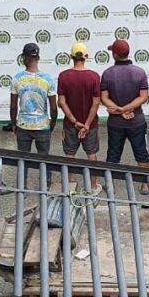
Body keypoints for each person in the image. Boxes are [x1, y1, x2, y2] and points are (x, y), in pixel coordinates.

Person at [100, 39, 149, 171]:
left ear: (115, 55)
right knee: (142, 155)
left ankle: (110, 182)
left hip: (116, 122)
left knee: (113, 156)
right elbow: (143, 97)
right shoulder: (140, 72)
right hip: (136, 120)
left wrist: (121, 110)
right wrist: (125, 109)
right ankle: (145, 182)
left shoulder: (107, 73)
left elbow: (104, 98)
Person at [57, 42, 101, 188]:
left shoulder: (63, 76)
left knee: (70, 155)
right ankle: (93, 186)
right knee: (91, 155)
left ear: (71, 57)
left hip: (70, 124)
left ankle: (68, 186)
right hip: (91, 125)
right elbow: (96, 102)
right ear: (86, 56)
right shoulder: (94, 76)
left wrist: (75, 121)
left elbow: (61, 102)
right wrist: (86, 124)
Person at [10, 42, 57, 153]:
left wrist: (13, 124)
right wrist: (52, 123)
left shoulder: (17, 78)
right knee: (43, 160)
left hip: (23, 126)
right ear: (38, 58)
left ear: (24, 58)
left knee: (23, 160)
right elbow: (53, 107)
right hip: (43, 126)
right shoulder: (48, 79)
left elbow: (13, 106)